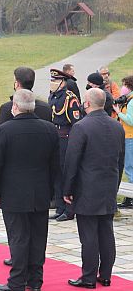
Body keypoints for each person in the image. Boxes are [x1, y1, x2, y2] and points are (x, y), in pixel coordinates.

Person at [0, 89, 61, 291]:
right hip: (40, 192)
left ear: (16, 107)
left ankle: (17, 282)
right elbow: (56, 165)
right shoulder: (49, 129)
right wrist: (53, 191)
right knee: (38, 236)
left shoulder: (6, 130)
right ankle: (35, 280)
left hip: (13, 192)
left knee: (18, 237)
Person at [63, 88, 125, 289]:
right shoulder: (117, 127)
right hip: (108, 186)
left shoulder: (81, 127)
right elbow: (120, 161)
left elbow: (72, 162)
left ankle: (88, 276)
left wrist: (67, 189)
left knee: (88, 234)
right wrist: (114, 185)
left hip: (87, 187)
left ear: (87, 103)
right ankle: (105, 274)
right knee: (106, 232)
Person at [0, 67, 52, 267]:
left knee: (17, 228)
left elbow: (0, 145)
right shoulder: (45, 108)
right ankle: (33, 269)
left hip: (15, 176)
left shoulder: (7, 108)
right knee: (37, 229)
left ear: (17, 83)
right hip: (40, 176)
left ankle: (17, 259)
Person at [48, 68, 82, 221]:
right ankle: (60, 206)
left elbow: (76, 122)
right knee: (56, 172)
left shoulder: (70, 98)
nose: (52, 83)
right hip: (55, 136)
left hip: (66, 137)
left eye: (55, 81)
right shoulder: (53, 96)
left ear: (63, 83)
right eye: (52, 80)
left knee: (66, 172)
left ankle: (69, 209)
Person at [114, 76, 133, 208]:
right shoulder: (128, 100)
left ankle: (131, 198)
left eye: (124, 85)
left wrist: (118, 112)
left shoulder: (131, 102)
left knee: (129, 168)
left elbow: (130, 120)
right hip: (127, 136)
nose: (123, 88)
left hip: (129, 137)